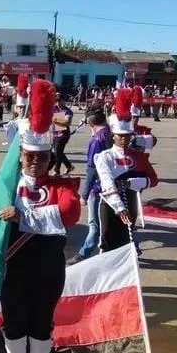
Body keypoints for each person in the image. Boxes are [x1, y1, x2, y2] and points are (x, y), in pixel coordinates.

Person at [0, 79, 81, 353]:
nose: (36, 163)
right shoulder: (7, 187)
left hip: (47, 269)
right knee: (15, 323)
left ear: (49, 158)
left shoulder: (63, 187)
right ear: (20, 155)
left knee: (42, 324)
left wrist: (21, 217)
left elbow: (69, 213)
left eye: (42, 158)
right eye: (30, 156)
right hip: (13, 269)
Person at [96, 90, 158, 254]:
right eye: (120, 136)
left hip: (131, 201)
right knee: (107, 243)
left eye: (127, 136)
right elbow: (107, 182)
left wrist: (135, 183)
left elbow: (153, 179)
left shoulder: (138, 156)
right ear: (113, 135)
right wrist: (119, 207)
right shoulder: (104, 157)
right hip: (111, 205)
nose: (124, 139)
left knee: (126, 243)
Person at [67, 105, 111, 265]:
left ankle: (84, 253)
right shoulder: (111, 134)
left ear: (90, 123)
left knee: (94, 223)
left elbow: (92, 169)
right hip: (114, 186)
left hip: (99, 187)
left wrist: (84, 194)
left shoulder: (96, 141)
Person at [51, 92, 74, 175]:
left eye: (59, 101)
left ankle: (56, 170)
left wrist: (54, 120)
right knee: (58, 152)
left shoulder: (67, 111)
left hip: (63, 135)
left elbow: (67, 122)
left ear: (64, 101)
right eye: (56, 101)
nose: (58, 103)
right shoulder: (54, 108)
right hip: (55, 133)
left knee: (57, 152)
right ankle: (69, 166)